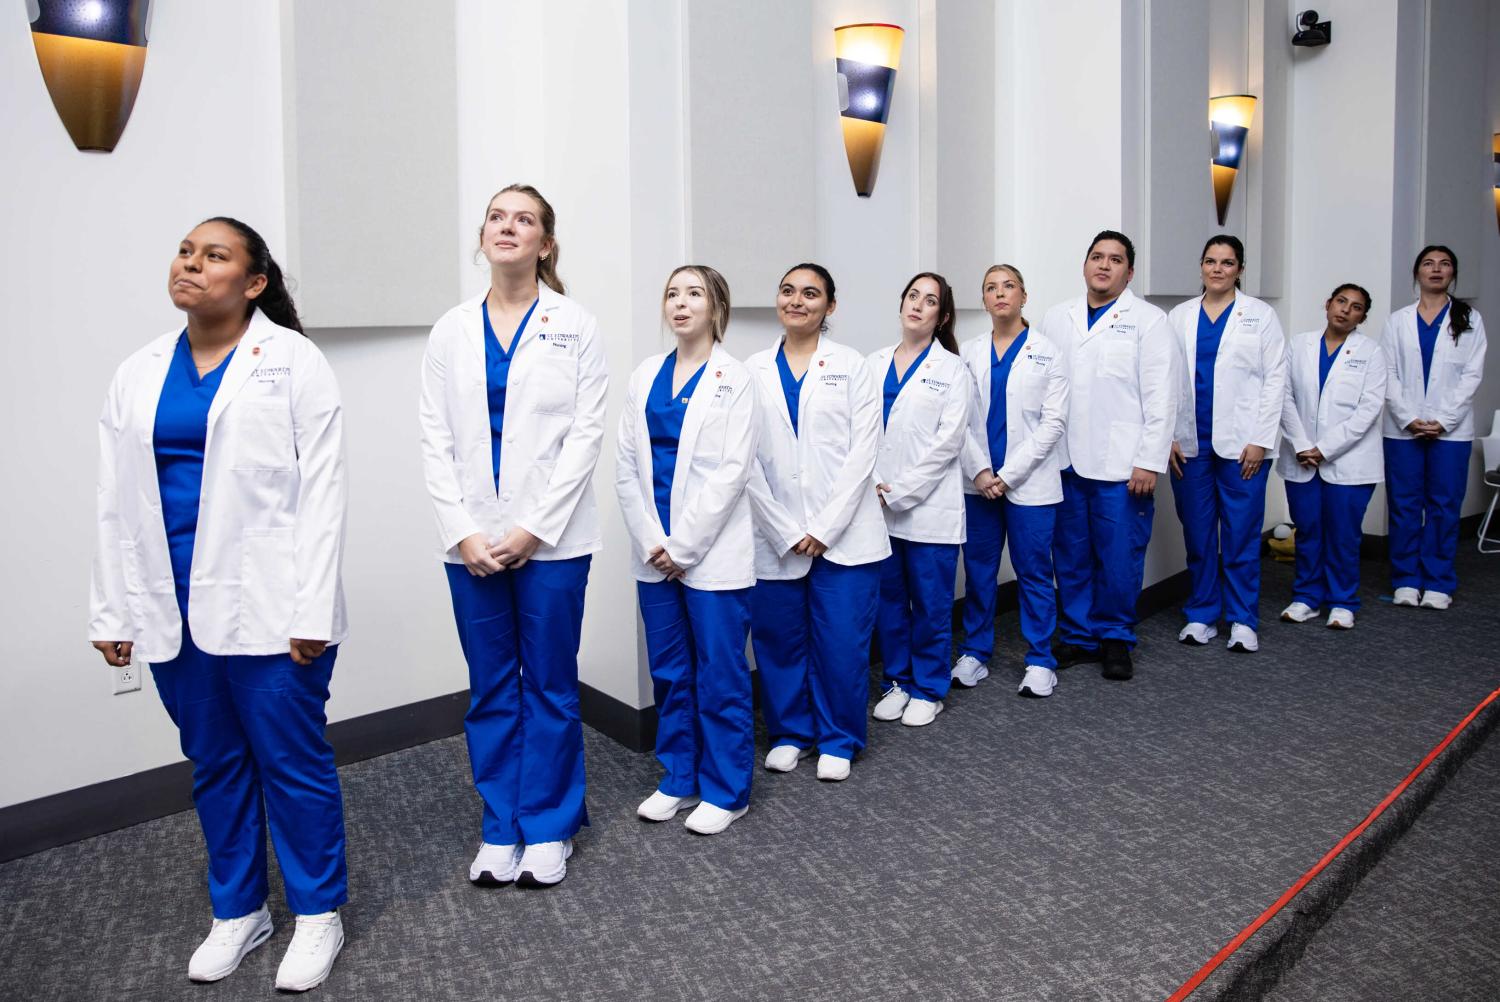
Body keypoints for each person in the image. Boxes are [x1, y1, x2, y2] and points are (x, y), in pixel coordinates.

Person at [89, 218, 348, 991]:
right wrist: (111, 609)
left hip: (271, 603)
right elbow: (113, 500)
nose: (192, 266)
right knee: (214, 761)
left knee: (292, 762)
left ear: (254, 282)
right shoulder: (137, 373)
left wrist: (314, 610)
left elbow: (324, 493)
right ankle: (239, 911)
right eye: (185, 252)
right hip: (166, 599)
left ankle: (316, 913)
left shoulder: (293, 362)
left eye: (214, 256)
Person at [419, 184, 607, 887]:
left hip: (553, 542)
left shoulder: (575, 325)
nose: (508, 227)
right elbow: (434, 436)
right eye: (497, 217)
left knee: (551, 685)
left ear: (545, 244)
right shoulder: (451, 329)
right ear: (484, 236)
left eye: (523, 219)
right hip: (470, 541)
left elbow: (586, 434)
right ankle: (501, 825)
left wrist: (534, 528)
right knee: (491, 686)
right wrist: (463, 530)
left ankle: (550, 826)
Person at [615, 266, 759, 835]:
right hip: (654, 552)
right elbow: (627, 465)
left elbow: (732, 471)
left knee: (720, 673)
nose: (680, 303)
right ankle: (679, 777)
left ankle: (727, 790)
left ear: (716, 307)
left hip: (712, 553)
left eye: (693, 294)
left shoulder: (735, 377)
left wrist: (685, 545)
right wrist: (654, 541)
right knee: (671, 672)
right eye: (672, 293)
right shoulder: (645, 375)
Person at [746, 263, 890, 782]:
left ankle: (838, 736)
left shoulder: (851, 366)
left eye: (811, 294)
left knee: (841, 643)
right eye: (787, 291)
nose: (797, 300)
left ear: (830, 307)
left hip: (846, 535)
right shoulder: (751, 370)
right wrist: (786, 529)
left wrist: (824, 528)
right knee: (779, 640)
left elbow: (862, 454)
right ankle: (791, 732)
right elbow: (743, 461)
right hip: (774, 532)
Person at [1041, 230, 1176, 682]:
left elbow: (1162, 397)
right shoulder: (1056, 318)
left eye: (1115, 259)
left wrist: (1149, 459)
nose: (1104, 265)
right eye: (1096, 257)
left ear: (1129, 272)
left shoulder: (1149, 320)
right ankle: (1079, 636)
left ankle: (1117, 637)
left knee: (1119, 557)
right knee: (1072, 554)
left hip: (1123, 464)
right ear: (1084, 265)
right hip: (1064, 461)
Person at [1167, 235, 1288, 653]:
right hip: (1189, 443)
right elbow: (1161, 381)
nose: (1218, 269)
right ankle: (1201, 614)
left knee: (1240, 534)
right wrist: (1166, 436)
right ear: (1201, 266)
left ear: (1240, 269)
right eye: (1211, 261)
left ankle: (1241, 619)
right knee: (1199, 535)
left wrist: (1261, 439)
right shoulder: (1179, 317)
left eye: (1228, 262)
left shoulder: (1261, 316)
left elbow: (1276, 379)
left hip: (1243, 448)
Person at [953, 265, 1069, 697]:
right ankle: (975, 653)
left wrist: (1007, 474)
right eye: (990, 288)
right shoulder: (967, 351)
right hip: (978, 482)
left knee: (1035, 572)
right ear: (983, 300)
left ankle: (1040, 659)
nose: (1000, 294)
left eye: (1008, 286)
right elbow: (957, 421)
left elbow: (1053, 424)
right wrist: (981, 471)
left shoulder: (1048, 351)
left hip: (1030, 483)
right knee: (979, 573)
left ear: (1024, 296)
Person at [866, 273, 971, 726]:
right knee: (889, 600)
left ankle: (929, 687)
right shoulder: (870, 364)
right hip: (874, 505)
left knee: (930, 602)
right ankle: (899, 680)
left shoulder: (953, 369)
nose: (918, 305)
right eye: (912, 296)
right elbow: (854, 432)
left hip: (929, 507)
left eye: (929, 301)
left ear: (941, 316)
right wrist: (871, 485)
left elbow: (948, 443)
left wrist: (901, 491)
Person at [1382, 245, 1488, 609]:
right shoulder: (1398, 321)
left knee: (1444, 504)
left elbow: (1472, 375)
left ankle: (1439, 581)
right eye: (1428, 264)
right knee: (1404, 504)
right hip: (1403, 429)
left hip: (1451, 432)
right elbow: (1389, 374)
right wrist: (1409, 417)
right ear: (1417, 273)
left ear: (1453, 274)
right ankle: (1406, 579)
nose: (1436, 270)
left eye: (1444, 265)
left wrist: (1443, 419)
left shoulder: (1469, 318)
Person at [1279, 284, 1386, 629]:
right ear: (1327, 304)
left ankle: (1342, 600)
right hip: (1301, 455)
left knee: (1343, 533)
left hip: (1349, 460)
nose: (1345, 310)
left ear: (1362, 317)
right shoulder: (1299, 345)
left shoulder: (1371, 353)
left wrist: (1325, 449)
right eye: (1341, 301)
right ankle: (1307, 597)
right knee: (1308, 530)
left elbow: (1368, 409)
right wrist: (1301, 443)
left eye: (1355, 307)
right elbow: (1283, 395)